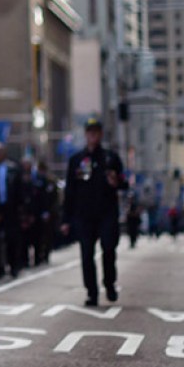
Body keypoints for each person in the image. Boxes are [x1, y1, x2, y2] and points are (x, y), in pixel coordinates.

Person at [60, 117, 124, 307]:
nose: (93, 135)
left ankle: (109, 283)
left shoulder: (111, 158)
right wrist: (66, 219)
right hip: (84, 215)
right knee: (87, 254)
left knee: (108, 249)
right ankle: (91, 292)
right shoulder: (77, 160)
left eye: (96, 131)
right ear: (86, 134)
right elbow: (69, 191)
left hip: (106, 213)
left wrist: (116, 182)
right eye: (90, 131)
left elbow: (123, 182)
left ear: (101, 134)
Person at [0, 140, 24, 279]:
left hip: (10, 208)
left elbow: (19, 191)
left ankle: (13, 266)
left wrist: (21, 210)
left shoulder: (13, 169)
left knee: (11, 239)